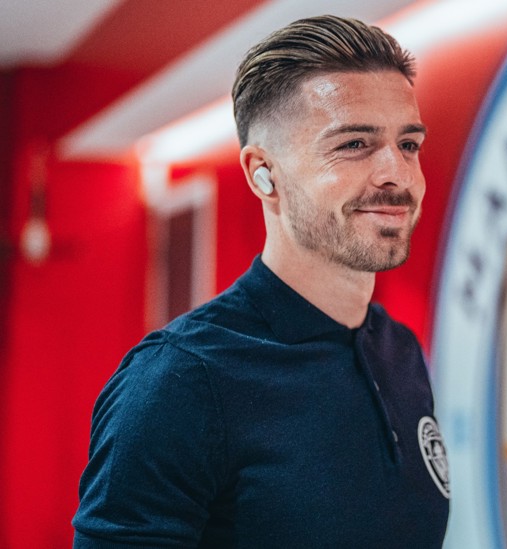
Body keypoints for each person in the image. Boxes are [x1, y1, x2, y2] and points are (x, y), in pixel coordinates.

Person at [72, 15, 449, 547]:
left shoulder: (399, 351)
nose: (397, 173)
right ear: (262, 174)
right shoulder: (180, 381)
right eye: (354, 144)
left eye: (408, 144)